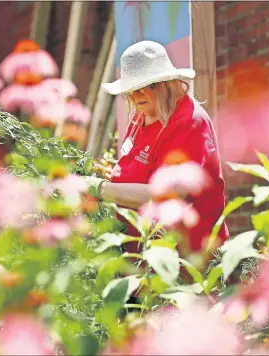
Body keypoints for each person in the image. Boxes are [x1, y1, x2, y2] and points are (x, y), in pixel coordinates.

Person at [85, 40, 229, 253]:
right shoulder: (142, 113)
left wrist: (100, 188)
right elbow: (142, 162)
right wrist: (111, 171)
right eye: (131, 91)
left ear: (167, 83)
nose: (135, 97)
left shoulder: (190, 122)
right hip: (140, 252)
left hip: (183, 257)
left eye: (144, 88)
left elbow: (169, 194)